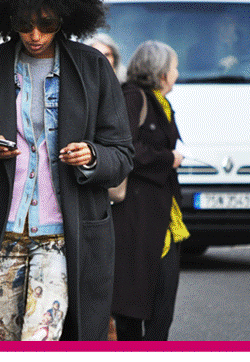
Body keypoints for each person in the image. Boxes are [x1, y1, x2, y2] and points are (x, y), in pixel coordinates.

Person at [0, 0, 134, 341]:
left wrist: (90, 156)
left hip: (64, 235)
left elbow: (122, 153)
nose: (35, 34)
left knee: (41, 338)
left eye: (47, 23)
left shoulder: (92, 68)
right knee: (2, 338)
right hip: (2, 230)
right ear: (8, 18)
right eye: (25, 24)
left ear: (66, 16)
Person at [110, 40, 190, 340]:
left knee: (161, 310)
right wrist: (168, 159)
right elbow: (127, 148)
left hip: (163, 218)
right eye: (174, 67)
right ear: (160, 72)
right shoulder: (133, 97)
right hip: (135, 218)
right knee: (133, 308)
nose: (177, 73)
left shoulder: (161, 102)